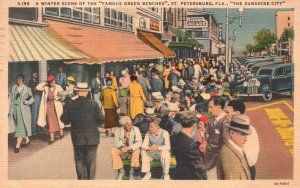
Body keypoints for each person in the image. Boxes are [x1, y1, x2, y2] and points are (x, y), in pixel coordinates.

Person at [61, 82, 102, 180]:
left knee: (79, 161)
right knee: (91, 163)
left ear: (77, 92)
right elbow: (101, 120)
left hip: (77, 138)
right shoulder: (94, 104)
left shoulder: (71, 105)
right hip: (92, 138)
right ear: (87, 92)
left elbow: (64, 119)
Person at [225, 99, 259, 180]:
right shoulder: (231, 127)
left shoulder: (248, 131)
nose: (225, 115)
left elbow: (250, 159)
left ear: (237, 113)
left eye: (228, 112)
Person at [170, 111, 207, 180]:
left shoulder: (173, 138)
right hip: (190, 177)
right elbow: (197, 168)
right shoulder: (191, 144)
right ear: (193, 124)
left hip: (178, 174)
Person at [216, 115, 252, 180]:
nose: (246, 139)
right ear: (232, 133)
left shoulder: (235, 149)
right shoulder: (228, 156)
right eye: (243, 134)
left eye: (246, 135)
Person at [9, 74, 34, 153]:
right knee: (20, 125)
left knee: (20, 126)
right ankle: (27, 138)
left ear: (23, 80)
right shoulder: (14, 88)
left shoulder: (27, 89)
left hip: (23, 110)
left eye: (20, 79)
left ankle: (17, 145)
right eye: (17, 79)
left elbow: (32, 99)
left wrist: (26, 101)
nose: (18, 81)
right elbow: (11, 97)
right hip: (15, 110)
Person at [36, 75, 65, 144]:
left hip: (57, 106)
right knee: (50, 122)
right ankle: (52, 139)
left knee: (58, 119)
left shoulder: (58, 87)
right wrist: (45, 83)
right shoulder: (46, 87)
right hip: (49, 106)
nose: (52, 83)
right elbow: (37, 87)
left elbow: (63, 96)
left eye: (53, 82)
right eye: (50, 82)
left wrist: (58, 97)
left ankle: (61, 134)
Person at [204, 96, 227, 179]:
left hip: (218, 160)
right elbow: (206, 135)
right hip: (209, 157)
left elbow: (224, 142)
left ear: (219, 107)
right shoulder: (211, 120)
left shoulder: (226, 121)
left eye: (211, 107)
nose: (209, 110)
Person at [28, 70, 43, 135]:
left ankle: (38, 129)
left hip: (39, 97)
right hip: (34, 97)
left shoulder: (38, 81)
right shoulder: (30, 81)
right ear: (32, 74)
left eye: (36, 73)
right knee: (34, 114)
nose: (35, 74)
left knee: (39, 113)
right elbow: (33, 89)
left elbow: (40, 89)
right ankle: (33, 130)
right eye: (34, 73)